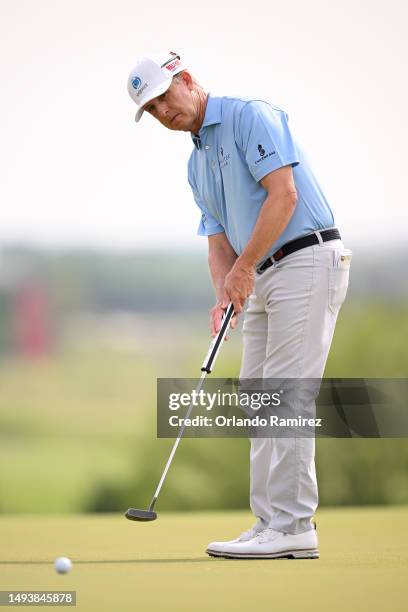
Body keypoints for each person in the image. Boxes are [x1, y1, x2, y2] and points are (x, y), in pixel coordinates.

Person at [127, 51, 352, 559]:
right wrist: (223, 295)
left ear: (186, 80)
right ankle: (269, 521)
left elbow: (284, 196)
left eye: (165, 97)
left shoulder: (251, 115)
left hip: (306, 257)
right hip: (263, 270)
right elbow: (217, 242)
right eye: (152, 109)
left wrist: (242, 271)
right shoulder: (195, 162)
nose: (164, 112)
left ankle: (295, 524)